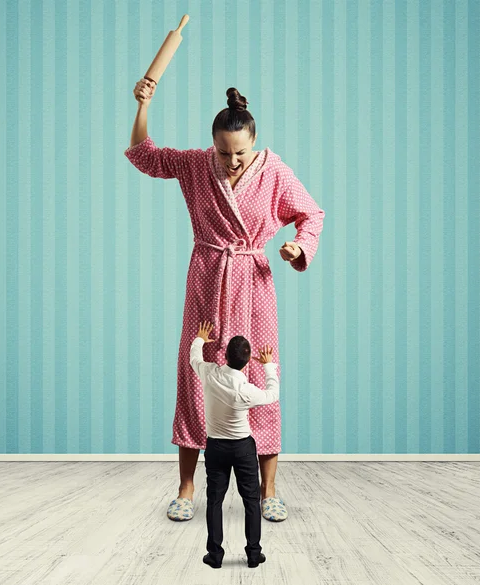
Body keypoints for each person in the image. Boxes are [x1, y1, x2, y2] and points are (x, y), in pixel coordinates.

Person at [125, 79, 325, 523]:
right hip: (207, 276)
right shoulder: (197, 166)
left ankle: (269, 489)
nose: (232, 161)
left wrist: (298, 246)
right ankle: (186, 488)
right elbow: (146, 156)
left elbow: (312, 214)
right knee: (196, 375)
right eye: (223, 152)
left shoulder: (274, 171)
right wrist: (143, 105)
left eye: (241, 152)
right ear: (211, 146)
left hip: (254, 282)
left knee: (260, 372)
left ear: (254, 142)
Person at [190, 321, 278, 569]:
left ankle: (215, 556)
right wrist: (269, 365)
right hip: (242, 448)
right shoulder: (247, 390)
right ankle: (253, 554)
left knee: (214, 501)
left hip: (216, 447)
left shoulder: (210, 374)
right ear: (248, 362)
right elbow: (273, 394)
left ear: (225, 356)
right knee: (251, 500)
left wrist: (200, 338)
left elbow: (194, 358)